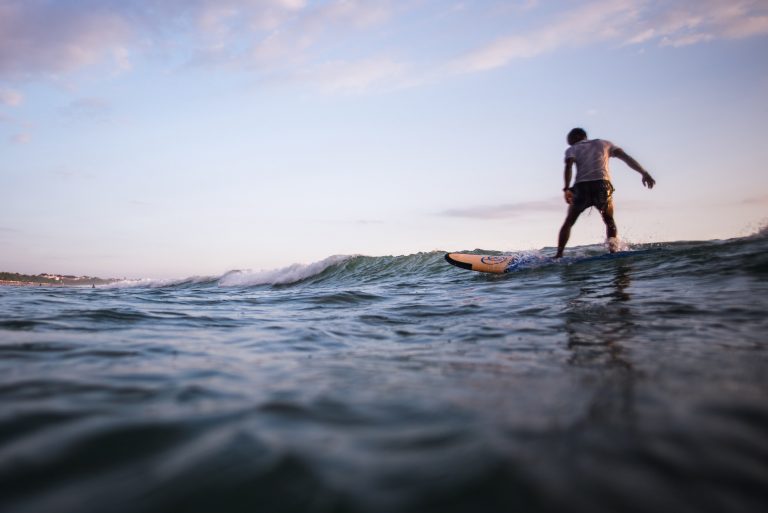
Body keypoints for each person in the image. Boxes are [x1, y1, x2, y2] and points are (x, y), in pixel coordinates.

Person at [555, 128, 655, 258]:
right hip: (602, 186)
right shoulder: (605, 144)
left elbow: (568, 166)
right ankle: (613, 252)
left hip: (581, 187)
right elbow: (626, 158)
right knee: (609, 220)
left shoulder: (572, 149)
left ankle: (559, 255)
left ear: (578, 136)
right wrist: (644, 173)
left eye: (571, 141)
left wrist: (566, 188)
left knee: (569, 222)